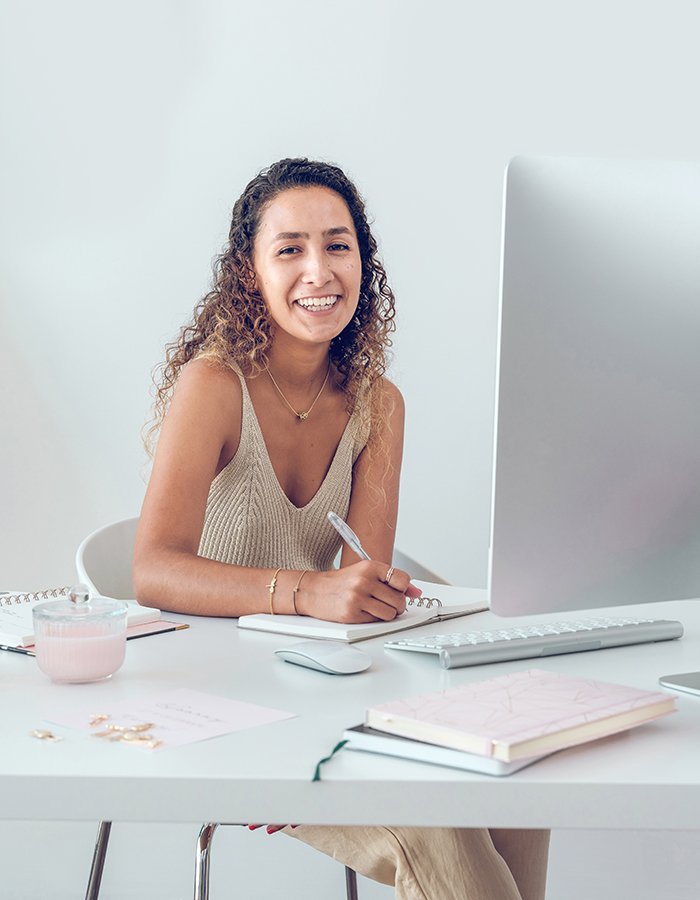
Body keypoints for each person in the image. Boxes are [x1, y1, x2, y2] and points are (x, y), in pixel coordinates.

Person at [134, 158, 549, 900]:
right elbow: (153, 570)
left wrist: (368, 596)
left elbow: (360, 592)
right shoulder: (213, 385)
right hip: (215, 704)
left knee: (514, 771)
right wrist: (306, 592)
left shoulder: (377, 404)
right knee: (436, 832)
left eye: (338, 245)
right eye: (289, 249)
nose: (318, 271)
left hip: (323, 693)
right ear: (250, 271)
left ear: (364, 262)